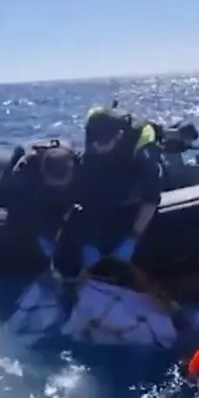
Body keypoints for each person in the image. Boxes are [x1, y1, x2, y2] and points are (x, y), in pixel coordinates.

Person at [62, 106, 163, 275]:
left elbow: (151, 197)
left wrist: (133, 238)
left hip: (137, 171)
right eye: (94, 143)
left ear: (118, 136)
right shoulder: (95, 138)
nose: (98, 147)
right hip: (113, 169)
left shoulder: (140, 150)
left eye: (103, 144)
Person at [0, 144, 79, 263]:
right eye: (57, 184)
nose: (62, 186)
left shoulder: (75, 163)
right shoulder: (25, 176)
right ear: (44, 173)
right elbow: (23, 218)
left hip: (52, 204)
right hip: (11, 199)